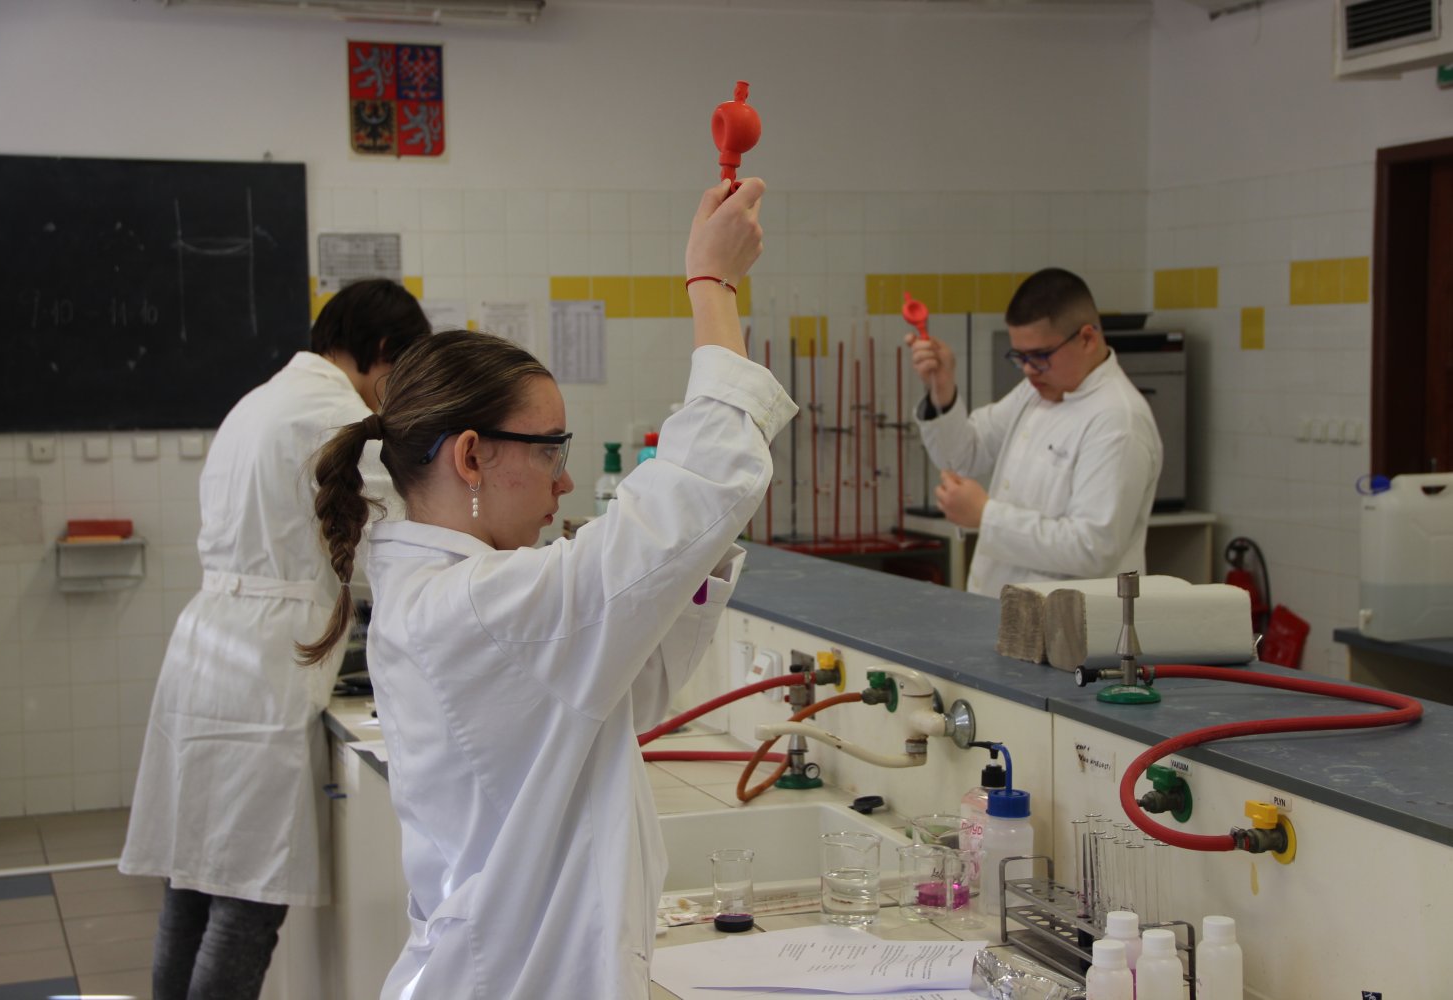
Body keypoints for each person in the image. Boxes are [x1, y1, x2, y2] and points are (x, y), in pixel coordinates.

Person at [299, 178, 790, 1000]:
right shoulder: (481, 608)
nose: (563, 482)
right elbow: (699, 481)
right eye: (550, 450)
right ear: (471, 456)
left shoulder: (455, 595)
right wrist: (713, 287)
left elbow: (623, 696)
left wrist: (686, 560)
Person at [120, 279, 432, 1000]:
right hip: (263, 665)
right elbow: (406, 532)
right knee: (246, 903)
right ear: (383, 349)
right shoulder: (335, 414)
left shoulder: (256, 402)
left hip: (207, 645)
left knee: (191, 886)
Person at [906, 267, 1161, 597]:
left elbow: (1093, 548)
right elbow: (963, 456)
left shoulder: (1117, 419)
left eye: (1040, 355)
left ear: (1087, 338)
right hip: (1005, 610)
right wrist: (942, 389)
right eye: (1020, 356)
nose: (1028, 369)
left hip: (1071, 623)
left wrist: (986, 515)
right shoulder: (1036, 390)